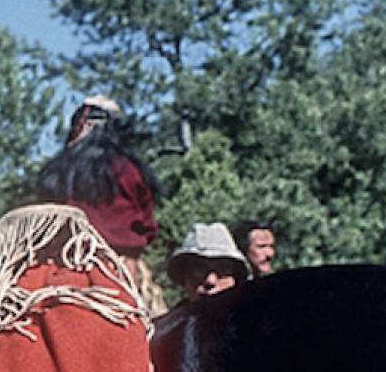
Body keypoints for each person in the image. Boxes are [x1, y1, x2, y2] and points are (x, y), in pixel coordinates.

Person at [35, 95, 169, 315]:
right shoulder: (131, 171)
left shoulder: (55, 172)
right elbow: (148, 227)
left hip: (62, 273)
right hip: (120, 275)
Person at [168, 222, 251, 299]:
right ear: (184, 278)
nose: (211, 281)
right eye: (199, 269)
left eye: (223, 269)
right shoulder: (175, 315)